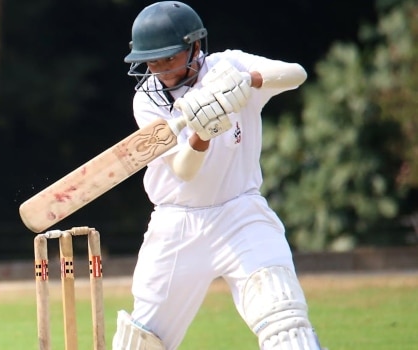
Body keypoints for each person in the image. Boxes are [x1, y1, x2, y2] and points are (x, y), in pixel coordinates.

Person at [111, 2, 323, 350]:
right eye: (153, 61)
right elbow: (184, 170)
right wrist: (201, 133)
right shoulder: (146, 102)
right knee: (142, 340)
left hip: (242, 214)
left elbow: (296, 73)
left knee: (286, 321)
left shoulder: (230, 64)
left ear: (195, 46)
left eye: (169, 59)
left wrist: (247, 81)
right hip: (177, 225)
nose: (161, 70)